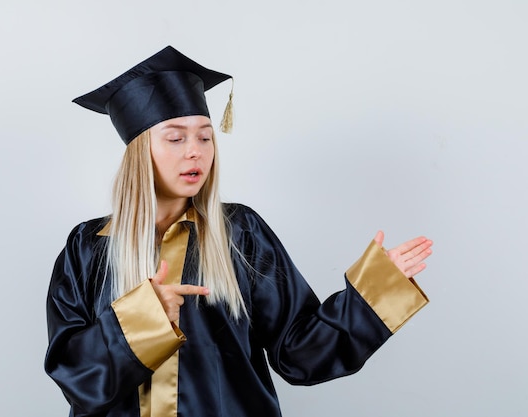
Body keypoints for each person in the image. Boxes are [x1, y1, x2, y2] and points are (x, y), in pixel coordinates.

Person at [44, 45, 433, 417]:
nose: (195, 151)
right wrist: (144, 319)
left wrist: (372, 294)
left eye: (205, 136)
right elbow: (75, 377)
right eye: (176, 138)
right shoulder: (88, 248)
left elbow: (298, 355)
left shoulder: (240, 233)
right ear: (138, 151)